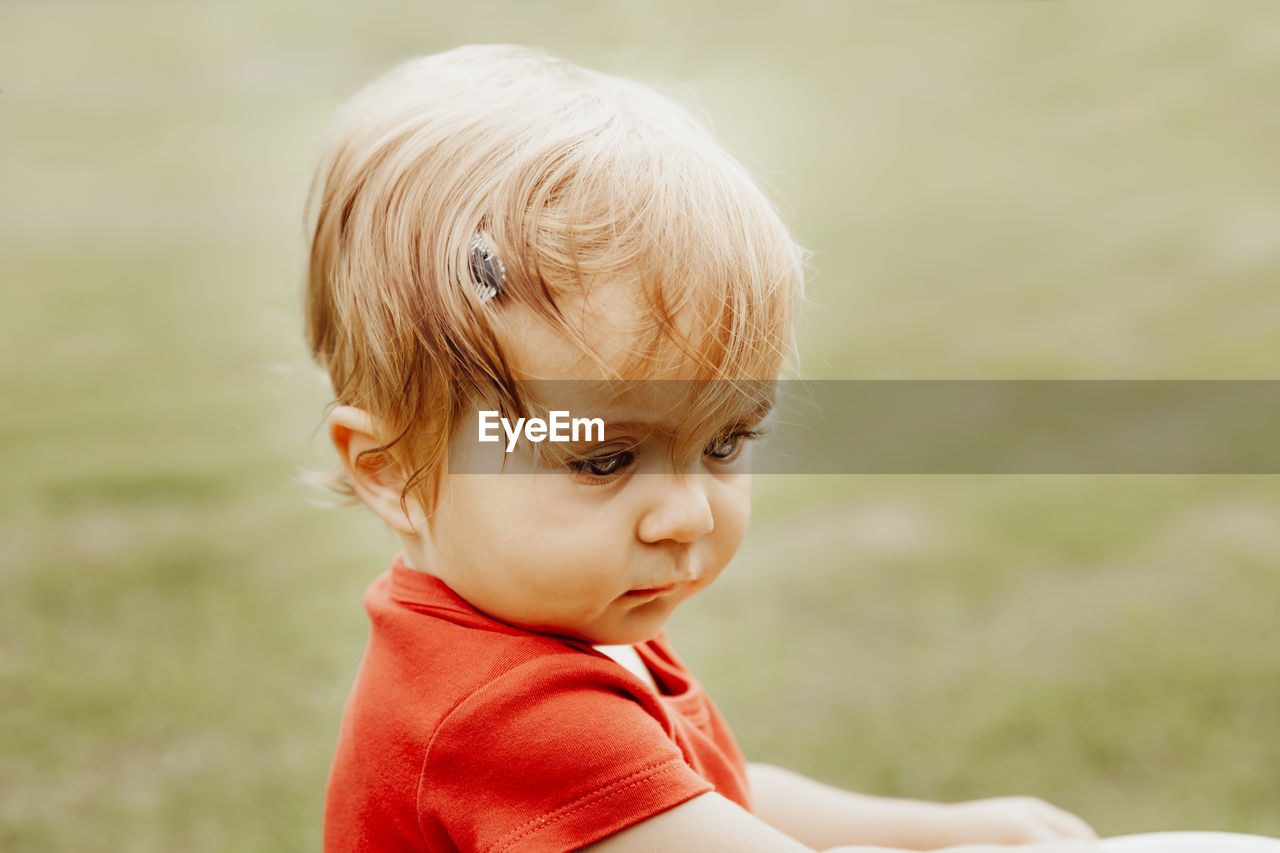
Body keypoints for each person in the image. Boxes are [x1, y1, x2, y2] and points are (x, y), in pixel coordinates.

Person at [304, 44, 1101, 852]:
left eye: (725, 440)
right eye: (603, 458)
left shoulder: (542, 628)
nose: (685, 514)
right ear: (393, 469)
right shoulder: (506, 718)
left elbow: (708, 792)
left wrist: (931, 829)